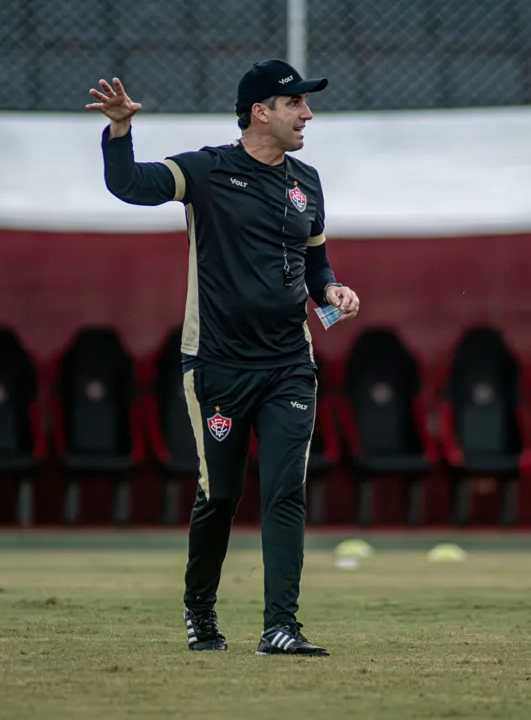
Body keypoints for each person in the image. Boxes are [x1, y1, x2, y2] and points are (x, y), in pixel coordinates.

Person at [87, 59, 360, 657]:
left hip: (290, 364)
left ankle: (280, 626)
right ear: (262, 110)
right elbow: (127, 185)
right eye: (296, 105)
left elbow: (316, 266)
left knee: (286, 491)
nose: (307, 114)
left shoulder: (307, 181)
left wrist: (332, 292)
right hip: (216, 367)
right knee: (221, 496)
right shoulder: (206, 171)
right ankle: (199, 609)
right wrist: (118, 131)